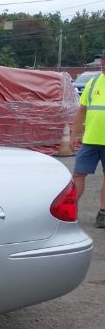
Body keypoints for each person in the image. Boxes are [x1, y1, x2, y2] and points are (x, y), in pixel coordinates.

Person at [71, 50, 105, 228]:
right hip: (90, 139)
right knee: (78, 175)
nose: (104, 63)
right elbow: (82, 111)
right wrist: (74, 134)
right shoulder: (93, 83)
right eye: (103, 60)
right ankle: (70, 211)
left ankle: (103, 213)